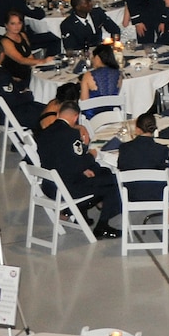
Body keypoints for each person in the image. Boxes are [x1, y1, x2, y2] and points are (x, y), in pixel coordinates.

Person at [35, 101, 121, 238]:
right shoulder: (72, 134)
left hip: (49, 185)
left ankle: (78, 212)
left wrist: (83, 168)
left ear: (58, 114)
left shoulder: (44, 133)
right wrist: (91, 155)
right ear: (76, 117)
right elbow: (79, 162)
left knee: (102, 172)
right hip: (68, 188)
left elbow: (62, 158)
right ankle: (102, 226)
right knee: (116, 182)